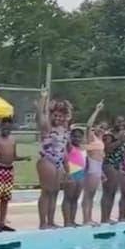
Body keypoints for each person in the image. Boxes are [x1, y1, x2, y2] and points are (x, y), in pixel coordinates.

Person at [36, 95, 70, 230]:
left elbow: (64, 150)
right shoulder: (47, 127)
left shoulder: (64, 130)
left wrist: (67, 168)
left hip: (58, 162)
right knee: (46, 191)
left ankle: (51, 221)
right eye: (55, 115)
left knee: (55, 192)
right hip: (47, 160)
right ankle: (43, 223)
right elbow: (40, 114)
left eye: (60, 116)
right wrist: (43, 99)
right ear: (50, 115)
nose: (58, 118)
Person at [0, 117, 18, 232]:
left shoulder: (13, 140)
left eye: (8, 128)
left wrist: (23, 158)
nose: (6, 130)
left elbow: (14, 156)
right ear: (1, 127)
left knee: (5, 198)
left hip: (9, 170)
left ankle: (2, 222)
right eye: (4, 127)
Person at [80, 103, 105, 226]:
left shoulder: (100, 140)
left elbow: (101, 156)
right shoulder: (91, 137)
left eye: (104, 128)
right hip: (92, 165)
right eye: (100, 127)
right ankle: (86, 219)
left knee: (92, 194)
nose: (101, 129)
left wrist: (102, 172)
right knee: (88, 193)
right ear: (96, 127)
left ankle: (89, 217)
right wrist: (97, 110)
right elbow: (88, 125)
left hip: (98, 167)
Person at [100, 115, 125, 224]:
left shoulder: (122, 135)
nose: (121, 124)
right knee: (108, 192)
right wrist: (119, 141)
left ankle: (107, 217)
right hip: (109, 164)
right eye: (118, 122)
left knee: (113, 192)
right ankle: (104, 218)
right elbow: (107, 149)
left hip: (117, 165)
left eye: (122, 122)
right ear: (113, 123)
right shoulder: (109, 134)